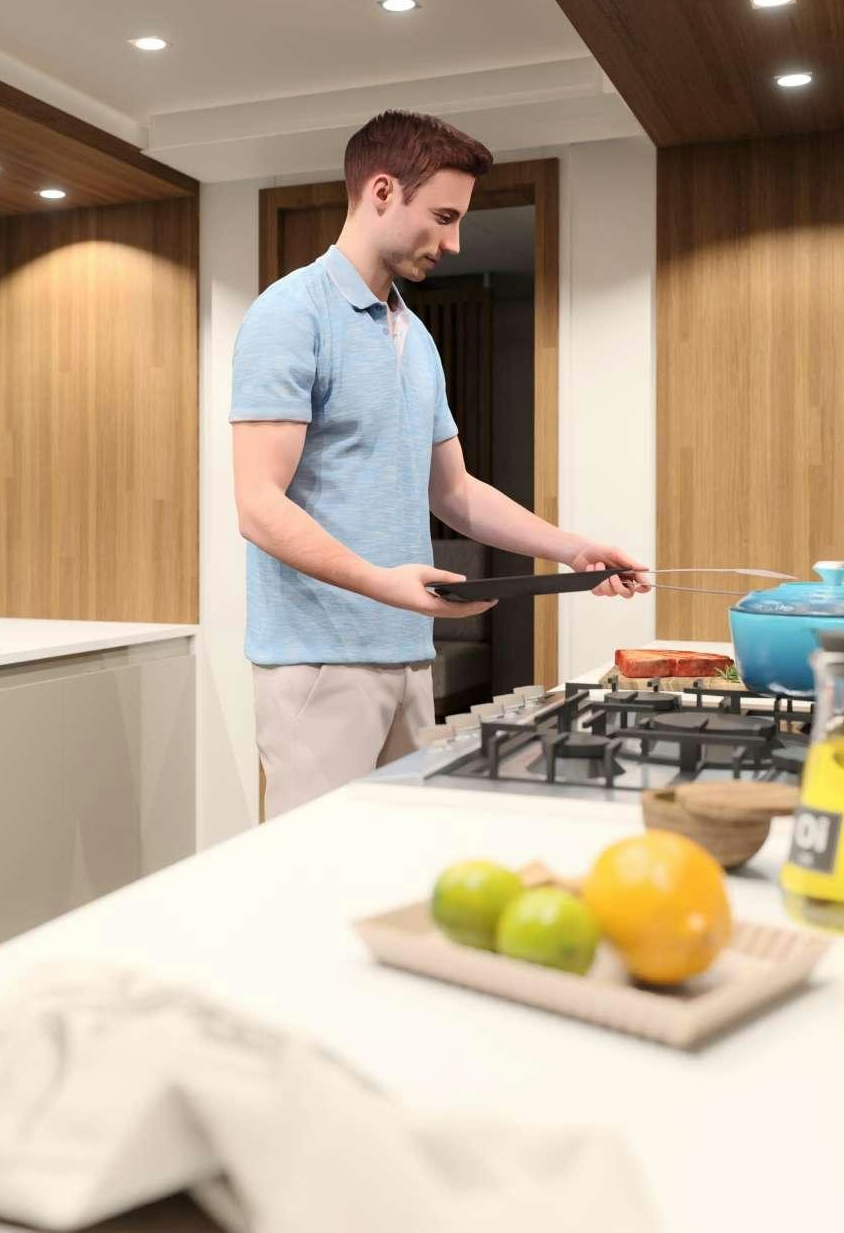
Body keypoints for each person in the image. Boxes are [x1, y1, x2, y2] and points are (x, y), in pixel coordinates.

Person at [231, 110, 649, 818]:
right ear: (383, 191)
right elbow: (258, 505)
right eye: (444, 217)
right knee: (314, 882)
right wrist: (382, 584)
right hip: (320, 662)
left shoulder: (414, 336)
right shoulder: (290, 315)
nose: (454, 243)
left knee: (398, 868)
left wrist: (572, 549)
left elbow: (454, 492)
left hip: (407, 655)